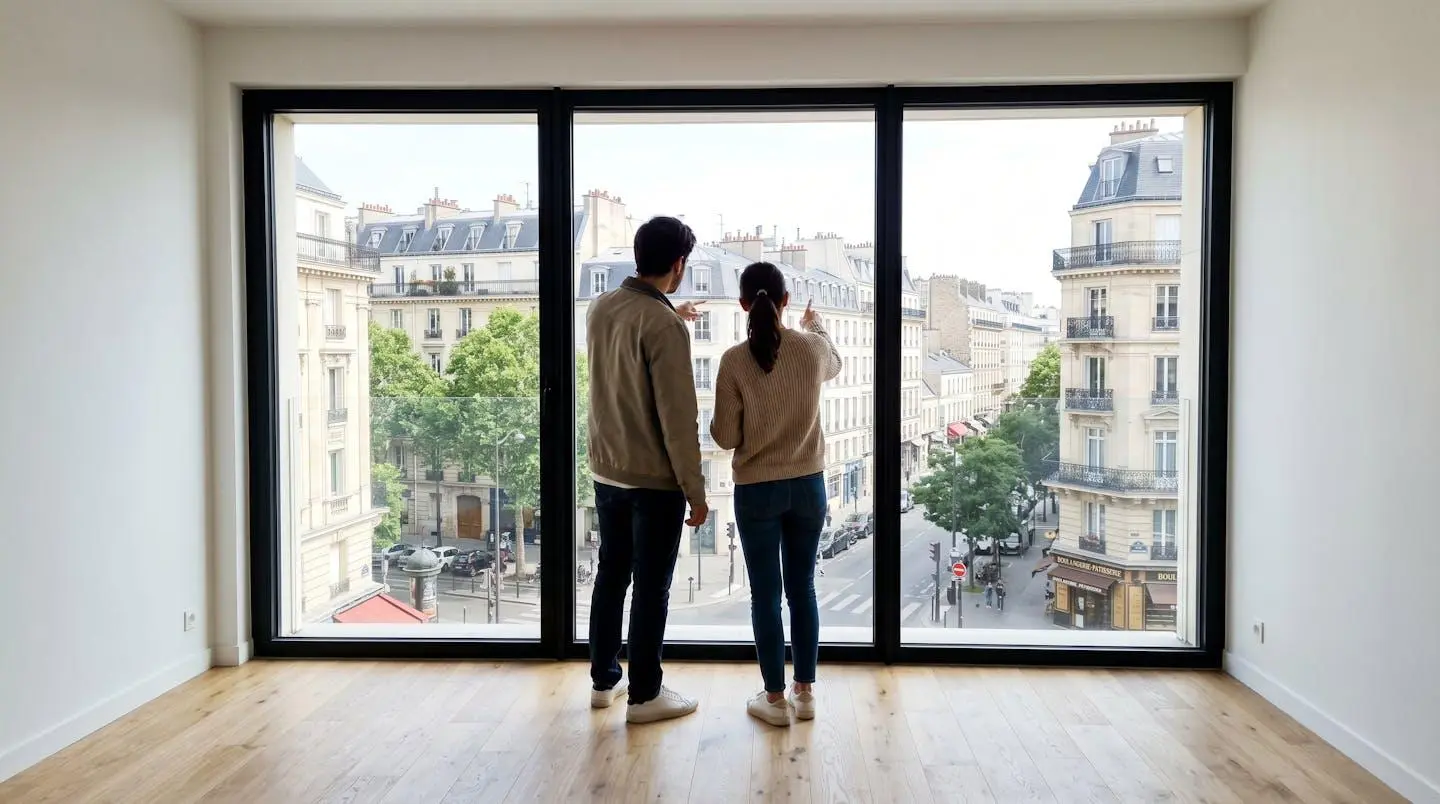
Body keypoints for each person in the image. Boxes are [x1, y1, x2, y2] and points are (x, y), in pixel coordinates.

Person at [586, 216, 709, 724]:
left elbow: (631, 338)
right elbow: (679, 421)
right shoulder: (664, 326)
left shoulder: (601, 308)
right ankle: (645, 695)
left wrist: (669, 314)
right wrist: (696, 492)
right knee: (652, 586)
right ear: (678, 265)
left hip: (606, 471)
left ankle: (603, 682)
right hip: (653, 482)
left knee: (611, 575)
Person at [711, 262, 842, 727]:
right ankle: (805, 693)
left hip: (757, 491)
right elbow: (835, 360)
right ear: (786, 301)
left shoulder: (732, 361)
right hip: (809, 485)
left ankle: (774, 699)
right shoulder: (810, 350)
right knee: (802, 588)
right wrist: (815, 324)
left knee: (765, 595)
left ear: (744, 304)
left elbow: (725, 437)